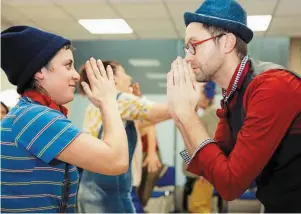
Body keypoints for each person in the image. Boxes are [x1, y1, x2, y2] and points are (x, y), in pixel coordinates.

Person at [166, 0, 301, 212]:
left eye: (194, 45)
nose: (187, 57)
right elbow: (212, 171)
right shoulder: (233, 94)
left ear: (227, 42)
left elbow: (230, 185)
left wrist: (187, 116)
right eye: (186, 48)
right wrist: (180, 117)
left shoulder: (272, 86)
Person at [1, 26, 129, 213]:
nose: (76, 75)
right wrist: (109, 101)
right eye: (68, 65)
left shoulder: (29, 114)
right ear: (39, 72)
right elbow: (116, 161)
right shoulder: (36, 118)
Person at [77, 60, 170, 213]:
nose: (129, 77)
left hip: (89, 189)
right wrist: (187, 96)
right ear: (113, 79)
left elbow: (142, 123)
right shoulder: (118, 100)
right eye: (124, 73)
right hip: (111, 193)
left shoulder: (92, 106)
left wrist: (136, 105)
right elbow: (163, 111)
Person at [187, 81, 219, 213]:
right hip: (198, 170)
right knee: (200, 205)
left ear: (206, 95)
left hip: (204, 171)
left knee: (198, 206)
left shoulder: (211, 114)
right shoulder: (205, 114)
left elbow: (213, 142)